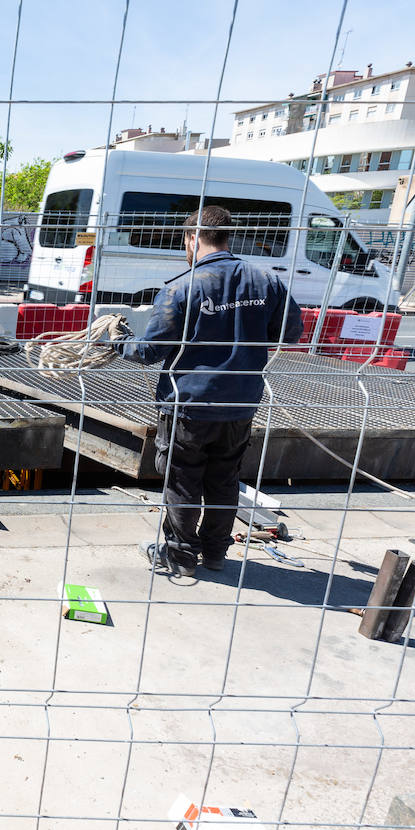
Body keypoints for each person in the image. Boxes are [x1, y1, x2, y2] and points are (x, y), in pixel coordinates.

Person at [115, 205, 303, 576]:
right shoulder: (267, 282)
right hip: (239, 404)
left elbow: (150, 351)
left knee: (182, 480)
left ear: (192, 237)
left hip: (188, 406)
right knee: (224, 480)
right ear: (226, 236)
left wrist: (118, 340)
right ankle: (216, 554)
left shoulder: (180, 289)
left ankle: (181, 557)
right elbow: (291, 333)